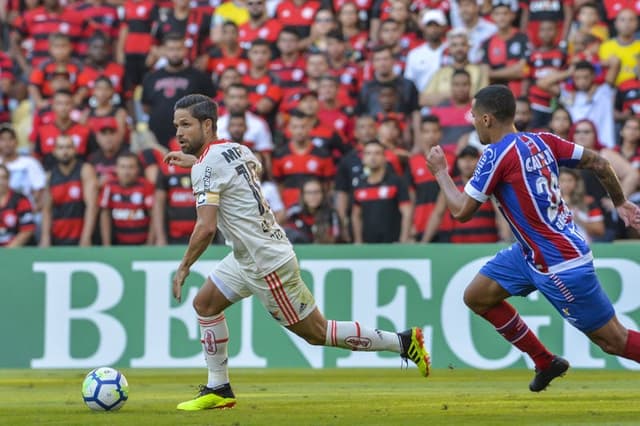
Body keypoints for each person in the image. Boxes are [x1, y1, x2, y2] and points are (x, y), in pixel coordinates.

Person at [164, 94, 430, 410]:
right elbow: (248, 170)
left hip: (266, 263)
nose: (179, 133)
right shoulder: (237, 149)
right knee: (205, 304)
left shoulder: (207, 166)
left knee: (317, 333)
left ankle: (402, 341)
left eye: (186, 125)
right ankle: (218, 388)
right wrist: (198, 164)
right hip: (246, 256)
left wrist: (183, 267)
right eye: (176, 125)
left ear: (207, 125)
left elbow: (206, 227)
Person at [426, 84, 640, 392]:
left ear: (487, 120)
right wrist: (620, 202)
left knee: (613, 341)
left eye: (473, 116)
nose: (471, 121)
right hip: (530, 253)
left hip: (559, 263)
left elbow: (461, 211)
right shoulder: (543, 140)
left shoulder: (496, 155)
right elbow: (600, 163)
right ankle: (545, 361)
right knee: (477, 296)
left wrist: (441, 173)